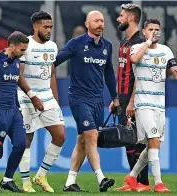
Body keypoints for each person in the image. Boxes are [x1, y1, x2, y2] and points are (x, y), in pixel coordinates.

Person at [54, 10, 120, 192]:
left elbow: (109, 73)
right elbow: (55, 61)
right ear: (87, 24)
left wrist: (114, 97)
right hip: (79, 98)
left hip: (98, 100)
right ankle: (101, 178)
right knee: (91, 135)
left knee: (83, 140)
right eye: (96, 21)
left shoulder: (107, 46)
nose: (100, 24)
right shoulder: (76, 44)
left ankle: (70, 182)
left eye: (102, 21)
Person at [0, 31, 44, 193]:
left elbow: (13, 86)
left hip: (13, 111)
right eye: (22, 50)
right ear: (12, 46)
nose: (24, 54)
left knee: (21, 144)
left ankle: (7, 179)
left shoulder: (15, 62)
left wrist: (18, 107)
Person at [122, 19, 177, 193]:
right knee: (153, 141)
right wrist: (148, 41)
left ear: (161, 32)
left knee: (153, 146)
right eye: (151, 29)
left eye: (157, 30)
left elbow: (174, 70)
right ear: (143, 31)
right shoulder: (136, 48)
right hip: (143, 104)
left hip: (159, 105)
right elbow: (133, 59)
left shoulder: (165, 50)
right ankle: (158, 184)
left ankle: (132, 176)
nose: (154, 32)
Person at [18, 11, 66, 193]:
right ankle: (25, 182)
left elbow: (52, 73)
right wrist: (31, 96)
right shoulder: (26, 45)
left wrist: (55, 98)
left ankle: (41, 175)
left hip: (47, 97)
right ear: (35, 27)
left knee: (60, 135)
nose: (49, 30)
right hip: (26, 97)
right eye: (45, 27)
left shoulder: (52, 46)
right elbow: (18, 75)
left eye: (51, 27)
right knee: (26, 139)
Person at [109, 3, 150, 192]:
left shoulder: (140, 42)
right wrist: (116, 98)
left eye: (122, 16)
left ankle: (143, 183)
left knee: (137, 140)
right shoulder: (125, 42)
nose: (118, 19)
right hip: (123, 98)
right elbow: (123, 74)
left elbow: (140, 75)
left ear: (131, 18)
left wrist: (132, 101)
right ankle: (132, 181)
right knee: (128, 139)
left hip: (134, 99)